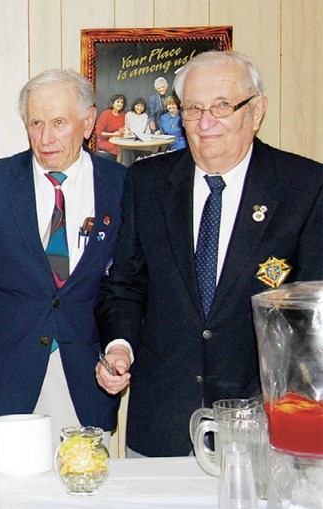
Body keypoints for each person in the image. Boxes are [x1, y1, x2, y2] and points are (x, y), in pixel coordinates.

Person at [95, 51, 322, 457]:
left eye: (222, 106)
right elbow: (126, 285)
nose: (205, 122)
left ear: (256, 111)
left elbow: (313, 313)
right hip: (161, 423)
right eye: (194, 108)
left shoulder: (305, 186)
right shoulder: (146, 183)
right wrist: (119, 347)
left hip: (262, 427)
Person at [0, 69, 127, 459]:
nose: (46, 137)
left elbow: (128, 285)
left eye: (59, 122)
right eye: (36, 122)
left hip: (85, 378)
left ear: (89, 121)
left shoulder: (122, 185)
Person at [95, 94, 127, 159]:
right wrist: (113, 134)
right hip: (104, 141)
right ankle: (117, 167)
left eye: (122, 102)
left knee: (126, 149)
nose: (120, 104)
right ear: (113, 103)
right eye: (118, 101)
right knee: (118, 149)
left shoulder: (122, 114)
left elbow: (121, 128)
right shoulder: (106, 114)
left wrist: (122, 130)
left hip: (117, 140)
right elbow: (98, 132)